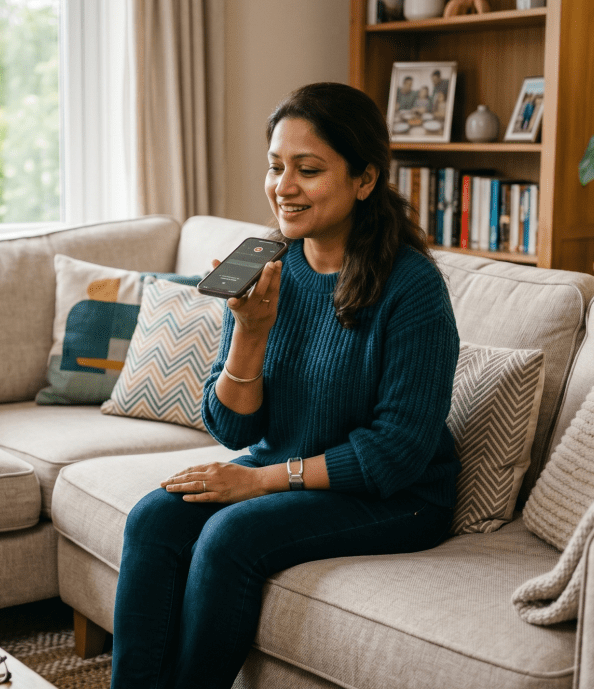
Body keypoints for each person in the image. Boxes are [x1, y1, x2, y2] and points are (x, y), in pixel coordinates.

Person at [110, 82, 461, 689]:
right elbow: (233, 427)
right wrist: (249, 331)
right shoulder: (267, 262)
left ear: (365, 179)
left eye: (308, 169)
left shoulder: (413, 289)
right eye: (276, 167)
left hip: (398, 495)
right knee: (154, 518)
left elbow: (395, 452)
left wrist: (257, 481)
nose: (283, 186)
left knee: (230, 534)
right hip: (294, 469)